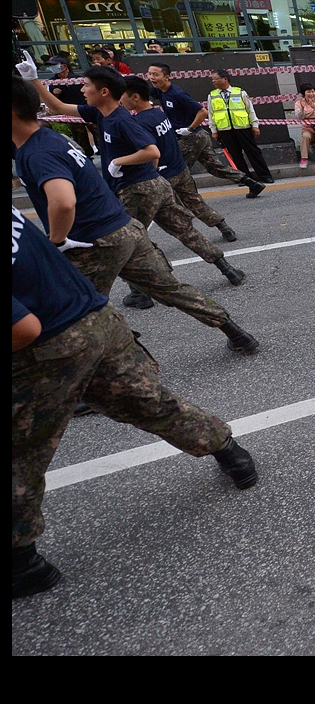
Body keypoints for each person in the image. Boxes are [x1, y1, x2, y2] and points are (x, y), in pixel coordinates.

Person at [11, 206, 258, 599]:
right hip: (94, 316)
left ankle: (22, 562)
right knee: (148, 401)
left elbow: (23, 328)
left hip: (49, 346)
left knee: (19, 451)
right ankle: (230, 453)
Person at [12, 71, 259, 354]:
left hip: (104, 227)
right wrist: (34, 80)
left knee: (77, 308)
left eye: (86, 85)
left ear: (105, 92)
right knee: (171, 276)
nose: (81, 89)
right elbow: (58, 106)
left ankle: (123, 351)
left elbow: (65, 201)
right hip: (126, 221)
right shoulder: (73, 129)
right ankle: (234, 328)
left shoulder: (104, 125)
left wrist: (57, 241)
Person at [117, 76, 247, 286]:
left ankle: (141, 288)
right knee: (191, 212)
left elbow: (152, 155)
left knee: (134, 233)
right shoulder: (159, 114)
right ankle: (225, 247)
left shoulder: (140, 122)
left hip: (159, 178)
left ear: (135, 96)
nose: (120, 100)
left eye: (121, 95)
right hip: (179, 169)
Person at [147, 63, 265, 200]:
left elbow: (202, 112)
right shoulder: (159, 90)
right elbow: (145, 93)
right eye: (149, 74)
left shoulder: (177, 94)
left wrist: (189, 129)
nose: (151, 77)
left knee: (178, 168)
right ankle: (252, 183)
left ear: (166, 77)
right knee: (215, 167)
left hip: (192, 137)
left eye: (155, 74)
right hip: (197, 137)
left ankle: (186, 199)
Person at [207, 69, 273, 185]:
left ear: (225, 79)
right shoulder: (212, 95)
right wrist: (214, 130)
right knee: (235, 155)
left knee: (253, 152)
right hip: (225, 130)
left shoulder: (240, 92)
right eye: (212, 79)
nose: (214, 81)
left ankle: (265, 175)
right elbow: (211, 114)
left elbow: (250, 109)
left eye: (216, 79)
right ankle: (244, 178)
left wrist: (255, 125)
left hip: (243, 128)